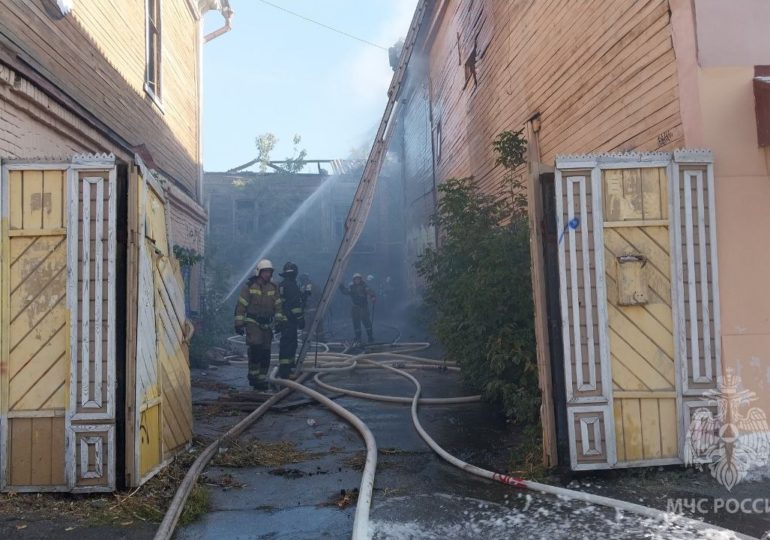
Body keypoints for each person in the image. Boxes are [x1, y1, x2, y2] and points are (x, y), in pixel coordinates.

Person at [234, 259, 287, 390]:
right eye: (265, 272)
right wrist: (239, 324)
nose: (268, 274)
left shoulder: (273, 287)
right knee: (256, 349)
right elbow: (241, 306)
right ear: (259, 272)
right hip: (253, 322)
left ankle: (261, 379)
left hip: (267, 325)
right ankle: (253, 377)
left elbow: (278, 306)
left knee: (265, 353)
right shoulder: (249, 287)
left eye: (269, 271)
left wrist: (280, 321)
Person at [277, 261, 304, 378]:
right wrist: (301, 319)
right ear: (295, 273)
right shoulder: (292, 285)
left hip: (283, 320)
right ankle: (285, 371)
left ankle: (288, 366)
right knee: (289, 344)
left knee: (288, 344)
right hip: (290, 320)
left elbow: (284, 302)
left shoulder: (282, 284)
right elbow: (295, 305)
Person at [339, 272, 376, 343]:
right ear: (353, 280)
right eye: (355, 279)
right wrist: (341, 286)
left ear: (360, 279)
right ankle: (358, 337)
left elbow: (370, 291)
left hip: (363, 308)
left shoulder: (364, 286)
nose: (357, 280)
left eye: (358, 279)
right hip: (355, 308)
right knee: (356, 323)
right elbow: (345, 292)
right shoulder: (351, 287)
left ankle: (370, 337)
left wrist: (373, 296)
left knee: (367, 322)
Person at [299, 273, 326, 342]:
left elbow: (301, 300)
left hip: (309, 312)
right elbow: (320, 297)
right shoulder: (313, 286)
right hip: (315, 311)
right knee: (318, 328)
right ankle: (321, 341)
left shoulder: (303, 287)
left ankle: (305, 344)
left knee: (306, 329)